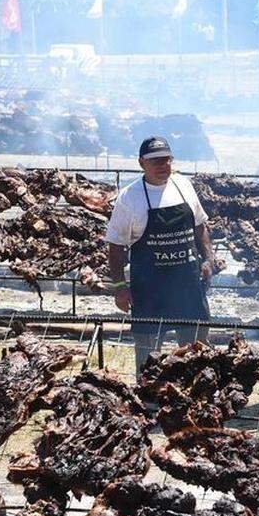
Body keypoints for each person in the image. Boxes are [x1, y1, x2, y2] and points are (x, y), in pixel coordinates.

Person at [105, 136, 218, 373]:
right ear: (141, 163)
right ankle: (147, 406)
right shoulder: (129, 198)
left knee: (196, 356)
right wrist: (119, 286)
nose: (162, 165)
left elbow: (200, 226)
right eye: (155, 161)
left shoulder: (183, 185)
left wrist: (208, 258)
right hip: (149, 292)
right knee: (148, 360)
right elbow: (115, 247)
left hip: (188, 288)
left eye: (166, 160)